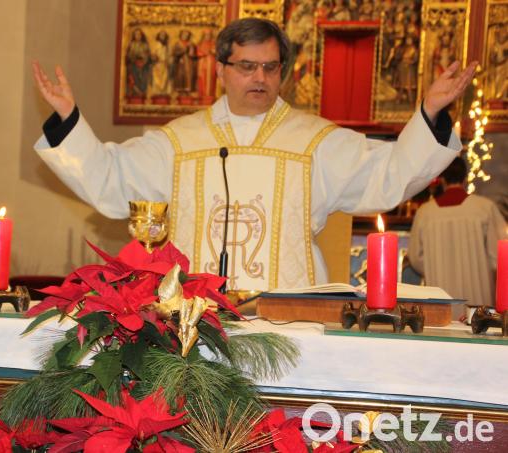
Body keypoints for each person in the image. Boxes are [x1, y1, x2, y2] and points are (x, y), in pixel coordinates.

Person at [32, 17, 475, 291]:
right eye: (247, 66)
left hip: (290, 322)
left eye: (270, 66)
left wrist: (430, 111)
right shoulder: (181, 142)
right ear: (221, 70)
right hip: (194, 321)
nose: (259, 77)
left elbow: (390, 174)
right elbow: (112, 181)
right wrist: (69, 118)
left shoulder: (314, 141)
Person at [408, 157, 507, 317]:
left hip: (440, 295)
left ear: (441, 178)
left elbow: (416, 257)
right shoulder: (483, 208)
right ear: (465, 177)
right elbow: (498, 255)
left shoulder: (425, 212)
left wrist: (437, 265)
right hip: (477, 297)